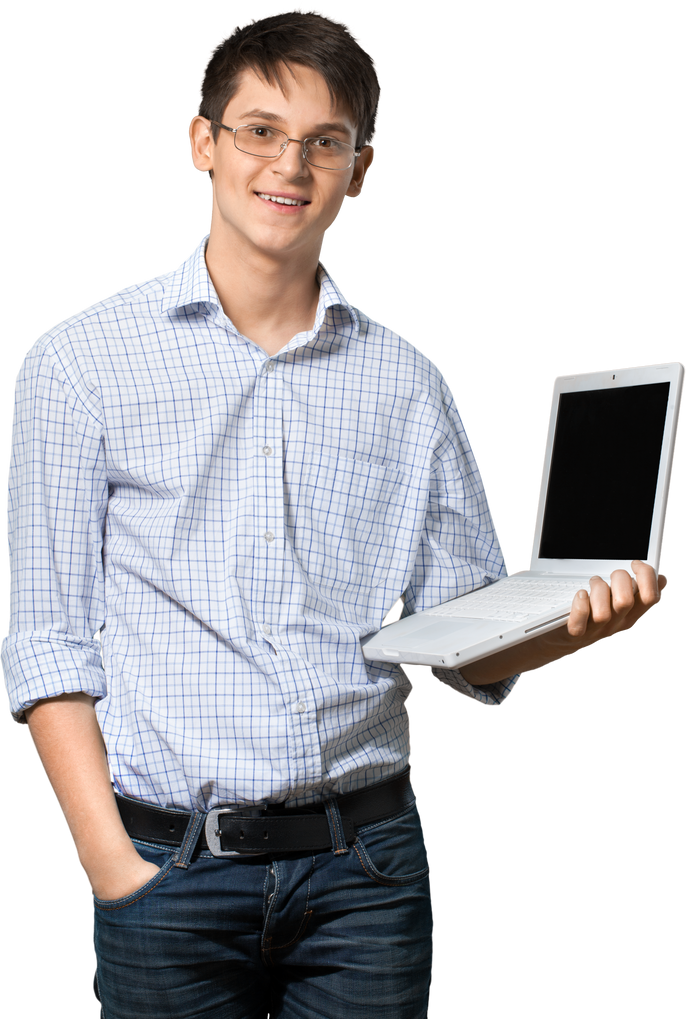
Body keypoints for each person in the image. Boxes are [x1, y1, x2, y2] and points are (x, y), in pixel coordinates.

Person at [1, 10, 666, 1019]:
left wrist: (569, 624)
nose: (290, 164)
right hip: (165, 869)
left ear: (360, 169)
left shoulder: (405, 382)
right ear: (204, 143)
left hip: (366, 874)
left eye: (324, 141)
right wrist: (110, 864)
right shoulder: (77, 362)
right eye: (260, 130)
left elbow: (461, 640)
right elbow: (46, 636)